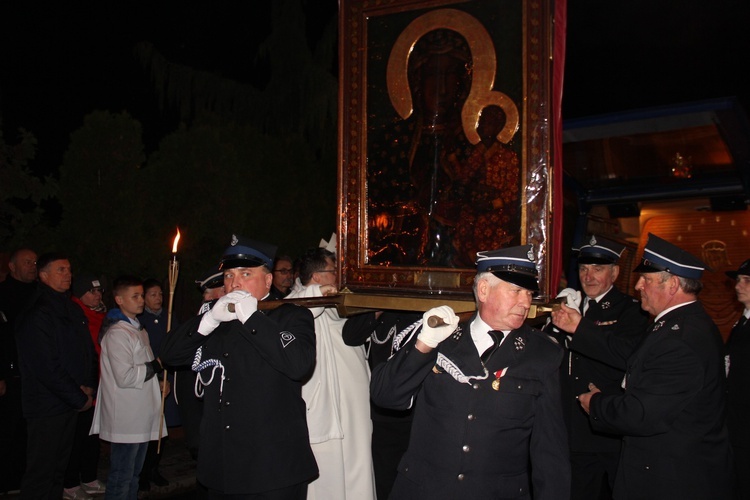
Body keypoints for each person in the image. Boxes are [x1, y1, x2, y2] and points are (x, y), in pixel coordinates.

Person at [370, 245, 570, 499]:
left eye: (529, 293)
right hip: (425, 490)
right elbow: (385, 396)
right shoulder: (442, 337)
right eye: (516, 291)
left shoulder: (542, 354)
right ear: (484, 290)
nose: (526, 302)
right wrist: (424, 344)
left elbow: (550, 451)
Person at [553, 233, 733, 499]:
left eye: (646, 279)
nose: (638, 285)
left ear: (672, 285)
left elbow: (643, 413)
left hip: (672, 474)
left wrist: (598, 404)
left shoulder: (680, 339)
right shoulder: (675, 326)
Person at [160, 235, 318, 499]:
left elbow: (299, 365)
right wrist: (208, 320)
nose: (235, 283)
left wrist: (251, 317)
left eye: (246, 274)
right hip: (222, 465)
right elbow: (170, 354)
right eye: (229, 275)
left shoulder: (291, 315)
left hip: (272, 465)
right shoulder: (216, 315)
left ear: (268, 280)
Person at [544, 235, 649, 500]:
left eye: (598, 269)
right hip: (574, 426)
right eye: (583, 269)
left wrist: (580, 327)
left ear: (614, 273)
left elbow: (627, 356)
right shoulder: (572, 305)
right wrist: (551, 320)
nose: (588, 276)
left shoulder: (632, 310)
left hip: (611, 426)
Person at [286, 247, 375, 500]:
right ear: (316, 278)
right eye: (334, 272)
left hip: (353, 411)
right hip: (324, 412)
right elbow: (300, 305)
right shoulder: (296, 303)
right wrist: (318, 293)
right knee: (327, 480)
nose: (339, 277)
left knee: (358, 471)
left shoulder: (336, 304)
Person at [15, 252, 98, 500]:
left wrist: (89, 386)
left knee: (58, 472)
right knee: (42, 473)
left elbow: (87, 351)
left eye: (69, 269)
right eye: (61, 270)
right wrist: (77, 396)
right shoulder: (37, 313)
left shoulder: (70, 308)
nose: (68, 275)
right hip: (47, 406)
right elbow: (45, 366)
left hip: (71, 401)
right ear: (43, 275)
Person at [90, 275, 167, 500]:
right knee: (122, 475)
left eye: (142, 295)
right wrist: (154, 367)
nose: (141, 300)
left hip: (141, 414)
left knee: (134, 474)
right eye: (135, 296)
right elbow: (124, 376)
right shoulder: (117, 334)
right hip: (126, 417)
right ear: (119, 300)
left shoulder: (138, 330)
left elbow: (146, 364)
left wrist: (160, 380)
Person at [342, 311, 420, 500]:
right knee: (385, 479)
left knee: (416, 479)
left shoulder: (423, 312)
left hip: (419, 413)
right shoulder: (380, 311)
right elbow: (350, 335)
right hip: (383, 415)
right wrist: (379, 306)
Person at [65, 273, 108, 500]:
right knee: (76, 435)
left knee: (93, 433)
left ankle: (89, 477)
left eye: (99, 291)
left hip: (100, 381)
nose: (97, 294)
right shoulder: (73, 314)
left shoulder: (103, 315)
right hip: (81, 384)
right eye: (92, 291)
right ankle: (70, 483)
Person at [0, 247, 37, 494]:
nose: (32, 266)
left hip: (35, 375)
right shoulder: (2, 295)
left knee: (29, 430)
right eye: (26, 262)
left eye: (35, 262)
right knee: (7, 428)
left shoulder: (39, 294)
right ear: (12, 266)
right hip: (10, 375)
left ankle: (23, 479)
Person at [137, 278, 174, 491]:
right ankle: (142, 471)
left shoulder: (169, 318)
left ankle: (154, 468)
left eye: (160, 294)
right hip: (150, 379)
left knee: (161, 429)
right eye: (152, 294)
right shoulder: (142, 322)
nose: (158, 298)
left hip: (166, 379)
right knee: (148, 429)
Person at [725, 258, 750, 499]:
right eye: (739, 280)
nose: (738, 285)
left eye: (746, 280)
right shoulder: (741, 321)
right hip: (736, 425)